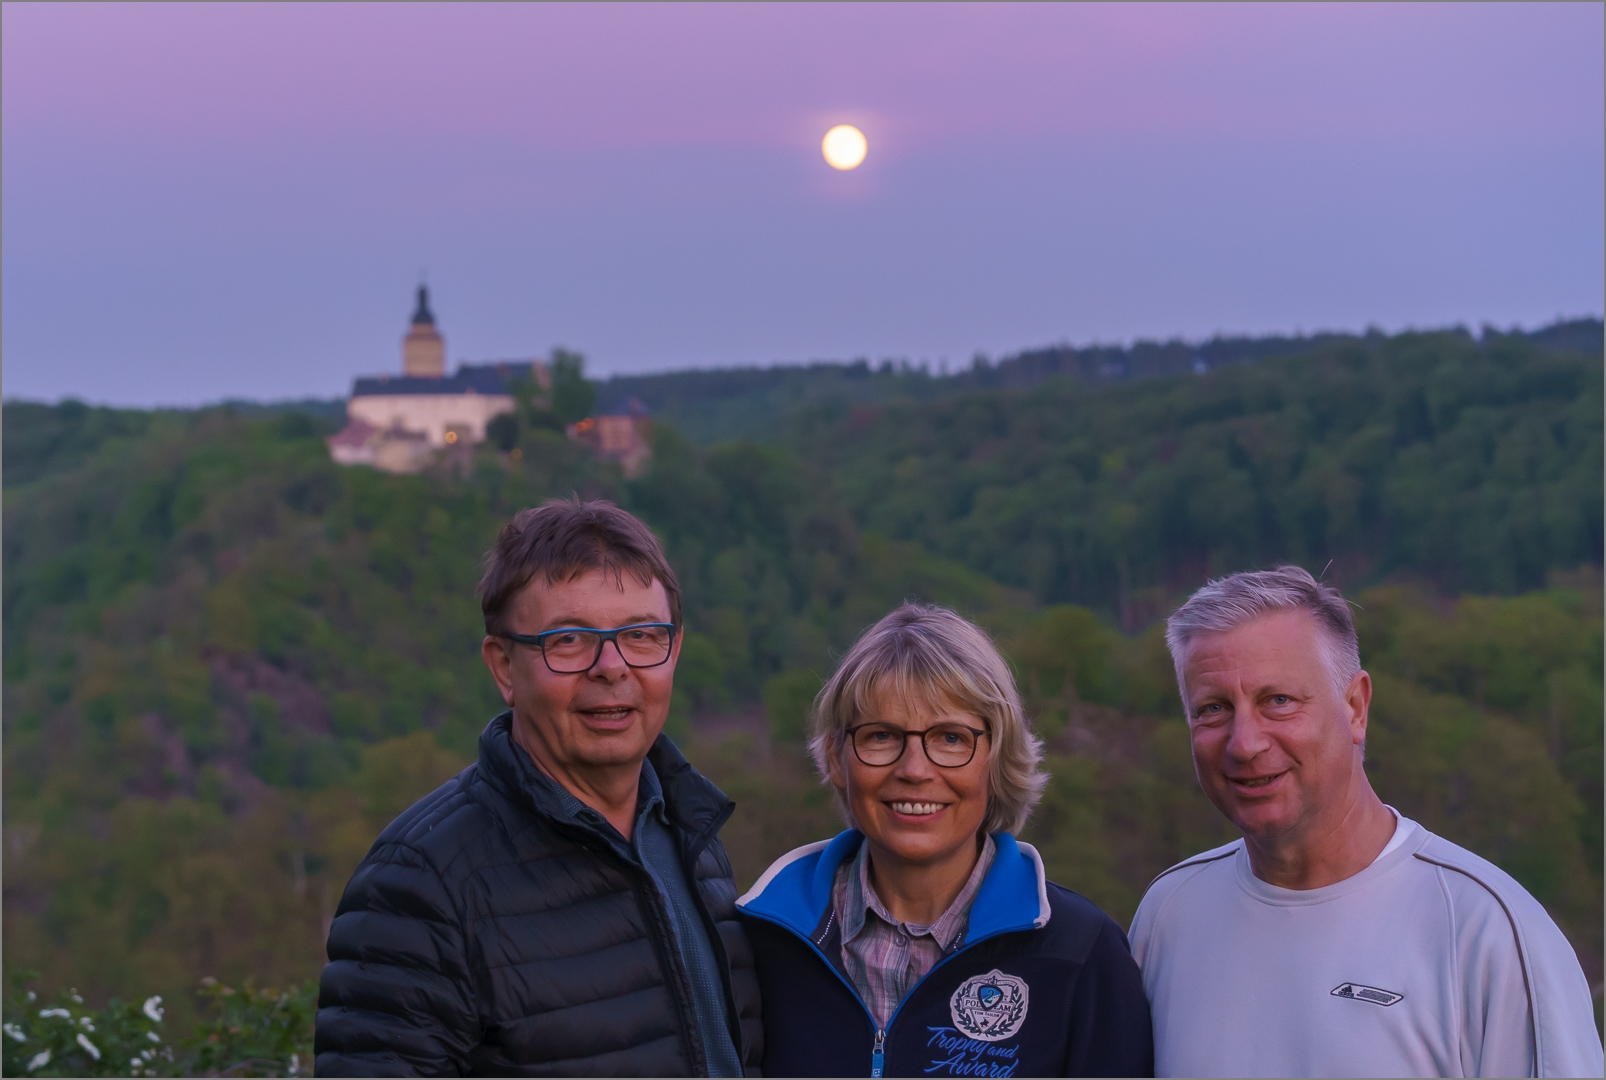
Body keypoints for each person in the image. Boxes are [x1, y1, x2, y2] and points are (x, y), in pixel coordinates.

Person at [315, 499, 761, 1076]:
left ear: (673, 649)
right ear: (504, 667)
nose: (612, 667)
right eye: (569, 640)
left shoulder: (692, 838)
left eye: (642, 635)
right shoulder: (421, 884)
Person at [1130, 565, 1603, 1078]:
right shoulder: (1169, 914)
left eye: (1279, 701)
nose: (1245, 743)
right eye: (1214, 709)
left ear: (1355, 707)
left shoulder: (1485, 931)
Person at [739, 603, 1153, 1078]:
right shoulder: (759, 942)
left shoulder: (1081, 954)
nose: (914, 770)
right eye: (880, 736)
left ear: (996, 760)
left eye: (951, 738)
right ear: (838, 758)